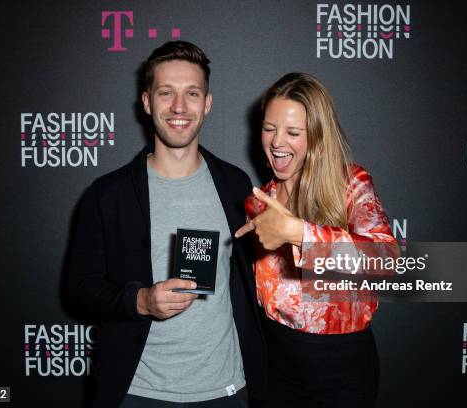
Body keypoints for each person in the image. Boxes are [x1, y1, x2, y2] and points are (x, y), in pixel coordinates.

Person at [68, 41, 265, 408]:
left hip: (225, 389)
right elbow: (79, 288)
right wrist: (140, 300)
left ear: (207, 103)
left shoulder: (237, 185)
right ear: (146, 103)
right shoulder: (108, 195)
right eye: (166, 93)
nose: (179, 107)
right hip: (138, 392)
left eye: (192, 93)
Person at [235, 72, 399, 407]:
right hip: (276, 363)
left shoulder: (350, 184)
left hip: (343, 368)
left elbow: (387, 260)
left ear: (317, 137)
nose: (277, 142)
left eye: (293, 132)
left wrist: (298, 232)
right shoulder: (257, 202)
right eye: (269, 128)